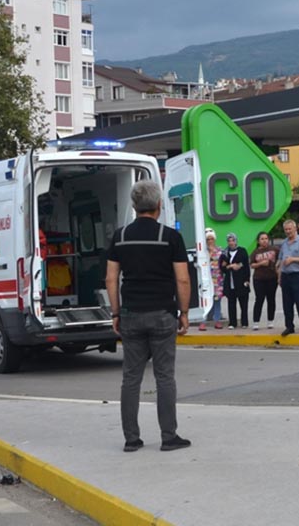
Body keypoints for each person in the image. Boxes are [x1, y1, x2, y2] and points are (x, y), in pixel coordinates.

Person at [104, 180, 191, 453]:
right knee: (165, 376)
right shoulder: (171, 237)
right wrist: (184, 312)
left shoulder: (120, 236)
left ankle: (131, 439)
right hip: (163, 313)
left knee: (131, 378)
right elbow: (183, 279)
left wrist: (116, 312)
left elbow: (110, 278)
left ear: (134, 206)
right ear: (159, 205)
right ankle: (169, 436)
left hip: (130, 314)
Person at [276, 220, 299, 337]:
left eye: (289, 229)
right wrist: (279, 276)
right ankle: (289, 326)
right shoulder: (284, 243)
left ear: (295, 228)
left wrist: (293, 259)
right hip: (286, 276)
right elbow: (281, 260)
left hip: (298, 275)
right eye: (286, 230)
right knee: (287, 303)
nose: (288, 232)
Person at [220, 233, 250, 330]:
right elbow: (222, 267)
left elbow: (246, 265)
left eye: (233, 240)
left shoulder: (242, 251)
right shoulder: (224, 253)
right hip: (230, 282)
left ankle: (244, 322)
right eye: (229, 241)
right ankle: (232, 322)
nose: (231, 243)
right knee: (231, 303)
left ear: (236, 241)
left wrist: (247, 279)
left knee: (243, 303)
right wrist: (230, 266)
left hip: (241, 281)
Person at [249, 232, 278, 330]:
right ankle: (256, 322)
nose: (264, 240)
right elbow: (252, 264)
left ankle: (270, 321)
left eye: (266, 238)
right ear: (258, 241)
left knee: (271, 299)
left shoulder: (274, 249)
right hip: (259, 279)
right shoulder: (255, 252)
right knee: (259, 299)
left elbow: (280, 258)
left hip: (272, 277)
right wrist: (260, 264)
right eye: (262, 239)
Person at [200, 229, 224, 331]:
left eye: (211, 239)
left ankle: (217, 320)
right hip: (206, 279)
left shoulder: (220, 250)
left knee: (217, 300)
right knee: (204, 301)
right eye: (208, 239)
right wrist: (209, 252)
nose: (210, 241)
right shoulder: (202, 252)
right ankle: (202, 321)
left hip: (217, 279)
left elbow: (223, 263)